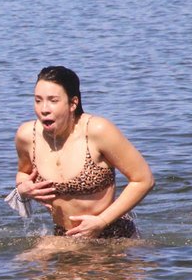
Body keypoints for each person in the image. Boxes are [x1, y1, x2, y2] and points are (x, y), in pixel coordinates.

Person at [14, 66, 154, 239]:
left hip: (113, 235)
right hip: (63, 236)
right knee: (22, 264)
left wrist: (101, 221)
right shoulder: (27, 136)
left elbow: (143, 180)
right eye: (38, 100)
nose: (44, 109)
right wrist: (23, 188)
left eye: (53, 100)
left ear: (73, 103)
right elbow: (23, 173)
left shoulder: (98, 131)